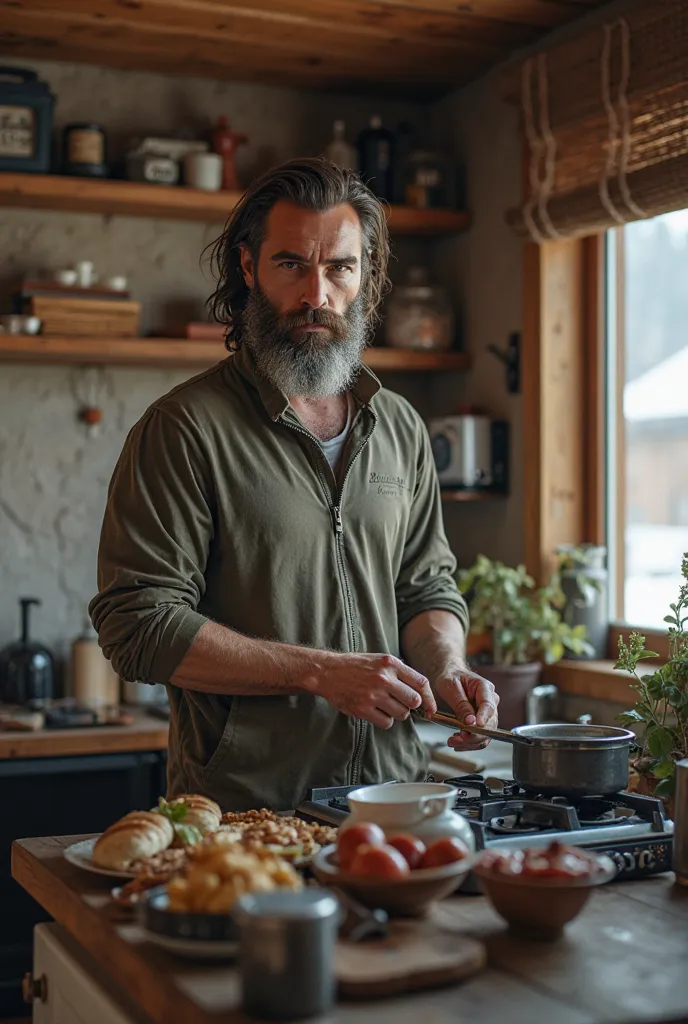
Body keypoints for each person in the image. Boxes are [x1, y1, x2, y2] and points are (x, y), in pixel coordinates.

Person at [90, 157, 499, 811]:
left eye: (339, 266)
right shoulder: (183, 428)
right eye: (291, 264)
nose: (317, 293)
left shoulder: (400, 427)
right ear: (249, 268)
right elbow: (137, 625)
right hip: (246, 806)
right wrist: (318, 671)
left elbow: (425, 587)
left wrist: (447, 667)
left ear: (365, 275)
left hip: (394, 798)